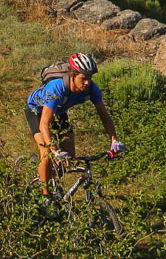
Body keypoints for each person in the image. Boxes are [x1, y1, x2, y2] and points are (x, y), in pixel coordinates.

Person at [24, 52, 123, 198]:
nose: (87, 83)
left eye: (89, 78)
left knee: (70, 157)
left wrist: (114, 140)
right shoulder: (56, 88)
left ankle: (52, 180)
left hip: (59, 111)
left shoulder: (92, 89)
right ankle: (45, 196)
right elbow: (44, 125)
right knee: (47, 154)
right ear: (72, 75)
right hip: (37, 112)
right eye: (83, 79)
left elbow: (104, 115)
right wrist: (55, 150)